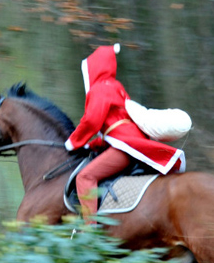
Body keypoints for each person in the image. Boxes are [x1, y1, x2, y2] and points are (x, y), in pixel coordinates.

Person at [65, 43, 185, 223]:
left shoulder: (100, 88)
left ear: (93, 68)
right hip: (133, 143)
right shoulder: (117, 86)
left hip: (126, 147)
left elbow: (91, 121)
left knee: (85, 176)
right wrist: (92, 144)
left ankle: (89, 232)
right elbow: (115, 128)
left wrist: (73, 142)